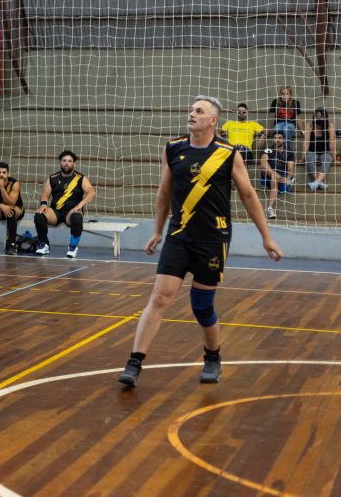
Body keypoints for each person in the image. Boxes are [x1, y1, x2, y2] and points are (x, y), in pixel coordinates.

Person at [117, 96, 281, 388]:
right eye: (191, 109)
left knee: (201, 306)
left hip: (212, 239)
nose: (192, 114)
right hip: (179, 236)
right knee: (159, 297)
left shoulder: (228, 154)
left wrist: (266, 237)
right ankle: (134, 363)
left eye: (199, 111)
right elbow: (164, 193)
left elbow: (248, 196)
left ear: (213, 120)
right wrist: (157, 230)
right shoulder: (173, 149)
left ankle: (213, 357)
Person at [34, 150, 96, 258]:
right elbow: (44, 195)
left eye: (69, 161)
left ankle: (72, 247)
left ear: (73, 164)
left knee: (77, 217)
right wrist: (44, 205)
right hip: (55, 212)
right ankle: (44, 245)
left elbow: (91, 192)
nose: (66, 163)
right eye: (64, 161)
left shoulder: (81, 178)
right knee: (39, 215)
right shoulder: (52, 178)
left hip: (71, 213)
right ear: (60, 163)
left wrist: (79, 206)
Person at [259, 131, 294, 220]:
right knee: (265, 169)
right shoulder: (269, 149)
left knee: (275, 178)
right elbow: (263, 163)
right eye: (275, 138)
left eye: (279, 138)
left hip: (282, 177)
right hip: (268, 177)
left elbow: (290, 168)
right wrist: (275, 174)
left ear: (284, 140)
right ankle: (270, 209)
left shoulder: (289, 151)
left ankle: (288, 181)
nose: (277, 140)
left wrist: (288, 178)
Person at [301, 107, 336, 192]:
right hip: (313, 151)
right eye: (317, 116)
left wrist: (334, 159)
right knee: (308, 157)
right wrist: (301, 158)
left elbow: (332, 144)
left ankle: (316, 183)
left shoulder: (329, 125)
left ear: (325, 117)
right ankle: (319, 183)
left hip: (325, 152)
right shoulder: (309, 125)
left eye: (321, 116)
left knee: (327, 158)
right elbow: (306, 143)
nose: (319, 117)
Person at [267, 85, 303, 152]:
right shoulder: (276, 102)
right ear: (280, 94)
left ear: (290, 95)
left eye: (287, 94)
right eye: (283, 93)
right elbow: (271, 117)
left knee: (286, 128)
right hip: (279, 124)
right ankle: (276, 150)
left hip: (290, 125)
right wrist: (269, 130)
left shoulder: (295, 103)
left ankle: (286, 151)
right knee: (277, 127)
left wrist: (301, 131)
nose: (285, 96)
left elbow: (298, 118)